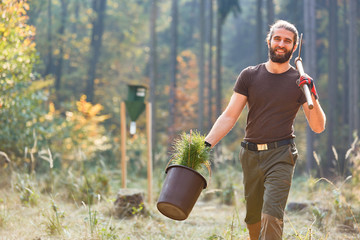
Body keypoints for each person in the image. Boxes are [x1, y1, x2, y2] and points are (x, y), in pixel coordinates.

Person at [204, 20, 326, 240]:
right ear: (269, 41)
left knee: (271, 215)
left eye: (287, 41)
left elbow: (318, 126)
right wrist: (206, 145)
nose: (281, 43)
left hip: (281, 154)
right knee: (254, 219)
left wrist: (312, 92)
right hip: (250, 155)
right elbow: (230, 116)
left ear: (294, 47)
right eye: (277, 38)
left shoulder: (299, 82)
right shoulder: (249, 75)